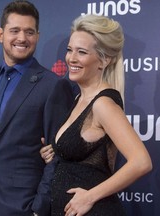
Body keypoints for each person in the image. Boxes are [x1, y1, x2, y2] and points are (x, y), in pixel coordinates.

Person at [0, 1, 73, 215]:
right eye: (15, 30)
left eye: (29, 32)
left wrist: (39, 207)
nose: (22, 38)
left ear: (37, 36)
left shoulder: (52, 85)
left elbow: (58, 154)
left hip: (20, 206)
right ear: (0, 34)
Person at [40, 15, 152, 216]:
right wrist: (56, 152)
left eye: (81, 52)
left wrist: (90, 196)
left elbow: (141, 161)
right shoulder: (79, 99)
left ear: (104, 60)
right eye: (69, 49)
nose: (71, 58)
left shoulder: (103, 104)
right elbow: (86, 156)